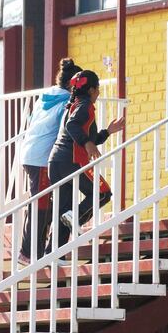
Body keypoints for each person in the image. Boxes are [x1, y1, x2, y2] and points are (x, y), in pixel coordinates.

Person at [47, 70, 125, 258]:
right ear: (91, 90)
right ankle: (76, 218)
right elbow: (72, 127)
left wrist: (107, 132)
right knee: (103, 193)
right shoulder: (85, 106)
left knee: (64, 212)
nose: (98, 94)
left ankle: (53, 254)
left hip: (56, 162)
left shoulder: (73, 105)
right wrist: (87, 143)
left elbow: (84, 135)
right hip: (70, 161)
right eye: (97, 90)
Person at [17, 57, 82, 264]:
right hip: (43, 156)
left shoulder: (45, 96)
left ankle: (37, 249)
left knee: (43, 202)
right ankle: (29, 252)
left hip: (29, 152)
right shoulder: (67, 101)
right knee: (42, 205)